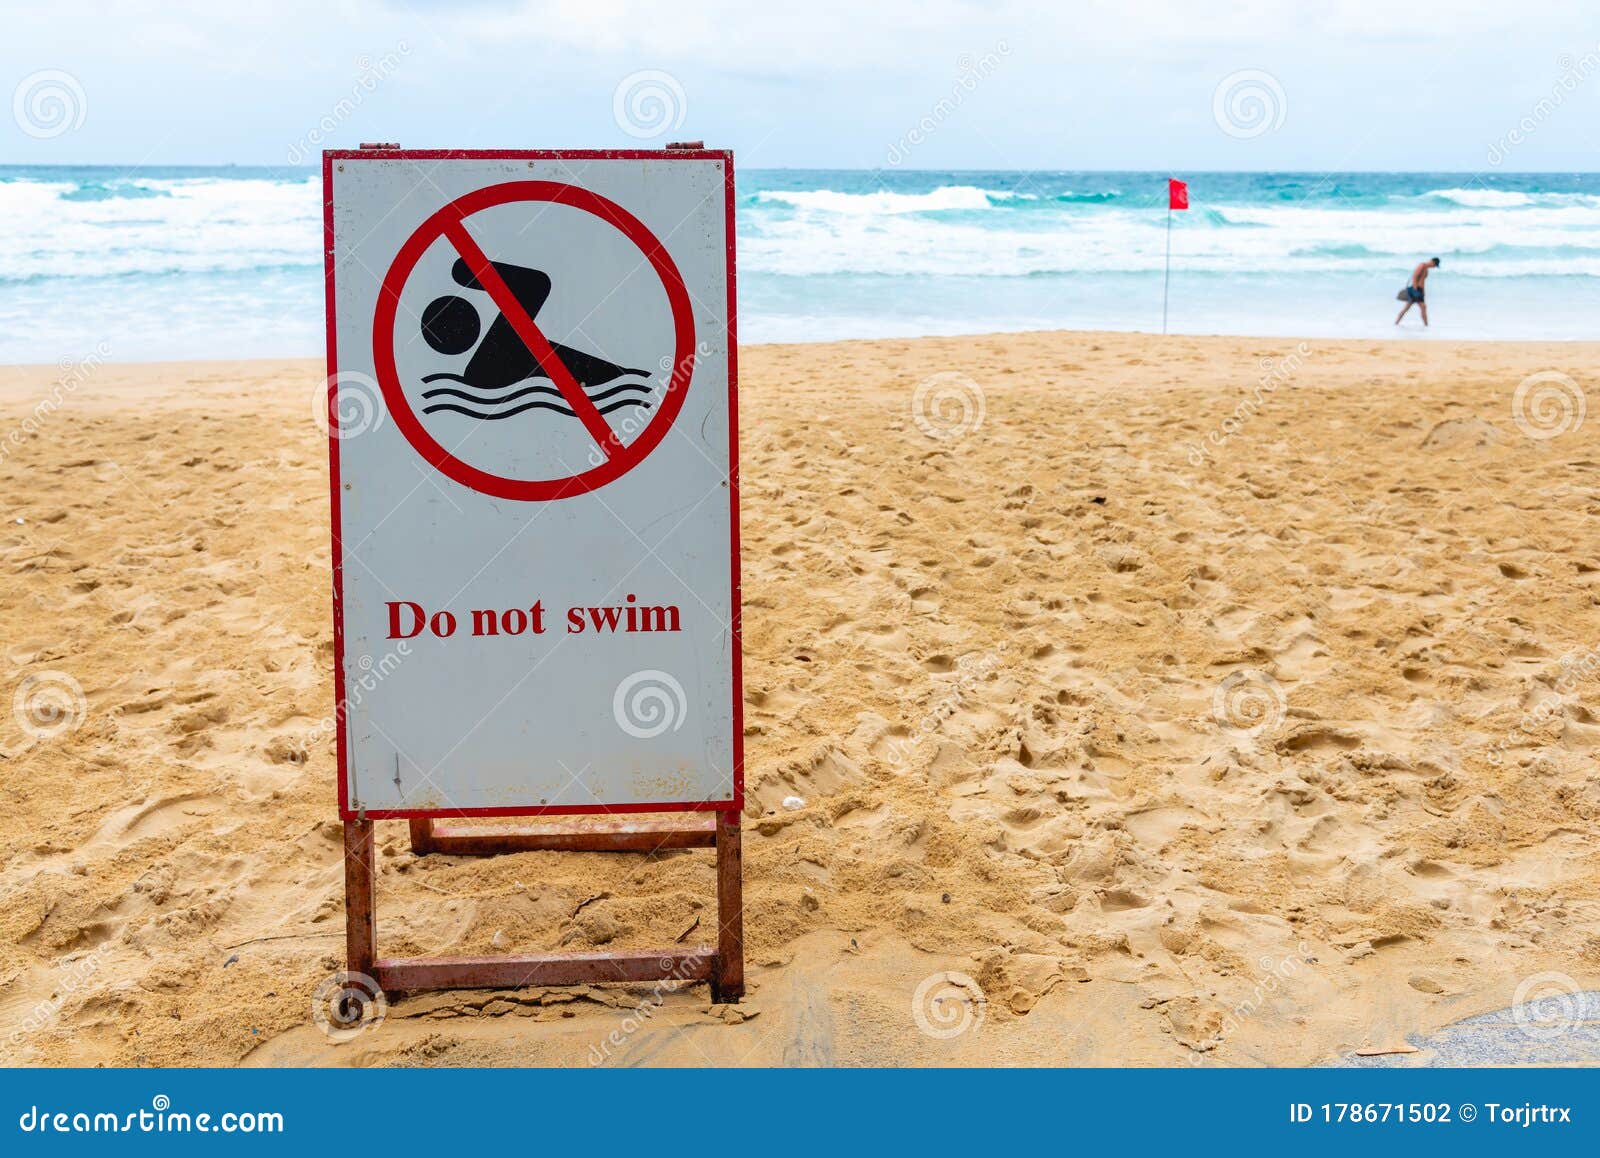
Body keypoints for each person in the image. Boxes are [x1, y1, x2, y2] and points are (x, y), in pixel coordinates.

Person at [1395, 257, 1440, 326]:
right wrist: (1415, 291)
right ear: (1432, 262)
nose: (1434, 267)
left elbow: (1422, 281)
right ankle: (1426, 325)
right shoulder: (1422, 265)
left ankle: (1396, 323)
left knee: (1408, 307)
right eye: (1435, 265)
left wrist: (1423, 291)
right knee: (1423, 307)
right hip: (1415, 290)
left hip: (1419, 290)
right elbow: (1414, 277)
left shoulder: (1426, 269)